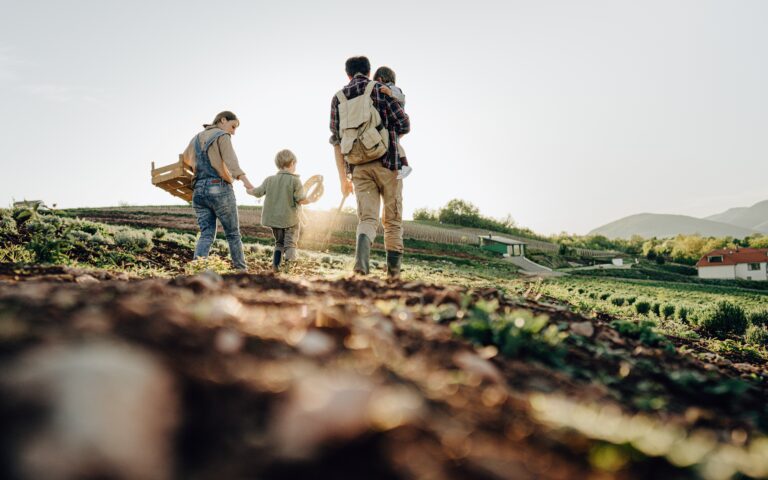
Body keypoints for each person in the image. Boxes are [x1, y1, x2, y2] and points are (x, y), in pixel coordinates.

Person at [329, 56, 410, 279]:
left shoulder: (338, 98)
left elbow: (336, 142)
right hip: (388, 163)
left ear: (348, 74)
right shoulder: (379, 89)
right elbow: (404, 124)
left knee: (367, 220)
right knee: (392, 220)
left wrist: (343, 180)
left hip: (358, 168)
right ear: (369, 70)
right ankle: (393, 276)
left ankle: (361, 267)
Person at [181, 111, 254, 271]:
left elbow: (185, 160)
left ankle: (197, 270)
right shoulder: (222, 135)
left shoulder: (196, 138)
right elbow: (232, 162)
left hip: (198, 191)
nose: (233, 132)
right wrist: (247, 183)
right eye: (233, 126)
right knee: (233, 234)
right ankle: (241, 271)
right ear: (222, 120)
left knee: (206, 234)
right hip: (218, 187)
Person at [247, 149, 312, 272]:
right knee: (290, 244)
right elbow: (300, 199)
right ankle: (289, 269)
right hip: (290, 220)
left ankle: (275, 268)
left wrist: (249, 190)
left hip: (274, 220)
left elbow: (257, 192)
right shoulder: (295, 180)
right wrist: (311, 199)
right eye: (295, 164)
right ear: (292, 163)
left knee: (279, 243)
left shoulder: (269, 180)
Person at [373, 66, 412, 180]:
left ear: (379, 79)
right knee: (395, 144)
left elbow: (402, 97)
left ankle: (405, 165)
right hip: (394, 123)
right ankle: (401, 165)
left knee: (395, 143)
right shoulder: (389, 88)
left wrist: (390, 93)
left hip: (397, 123)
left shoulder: (394, 88)